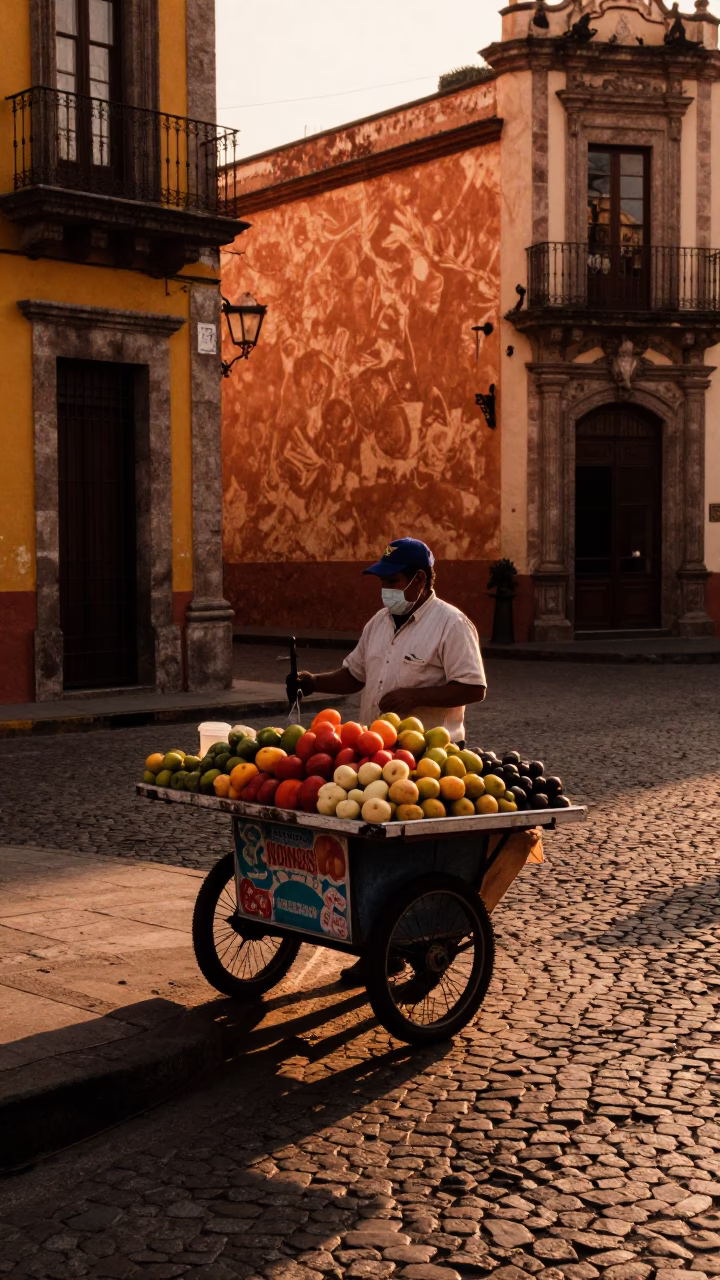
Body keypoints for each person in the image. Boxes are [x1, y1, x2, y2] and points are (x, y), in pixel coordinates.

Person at [291, 537, 488, 986]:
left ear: (419, 580)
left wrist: (416, 695)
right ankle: (379, 948)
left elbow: (474, 687)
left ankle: (413, 942)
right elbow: (354, 673)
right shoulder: (379, 622)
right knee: (368, 856)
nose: (386, 589)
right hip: (372, 756)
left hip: (427, 764)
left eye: (393, 581)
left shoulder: (451, 624)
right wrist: (311, 681)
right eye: (382, 581)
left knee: (411, 862)